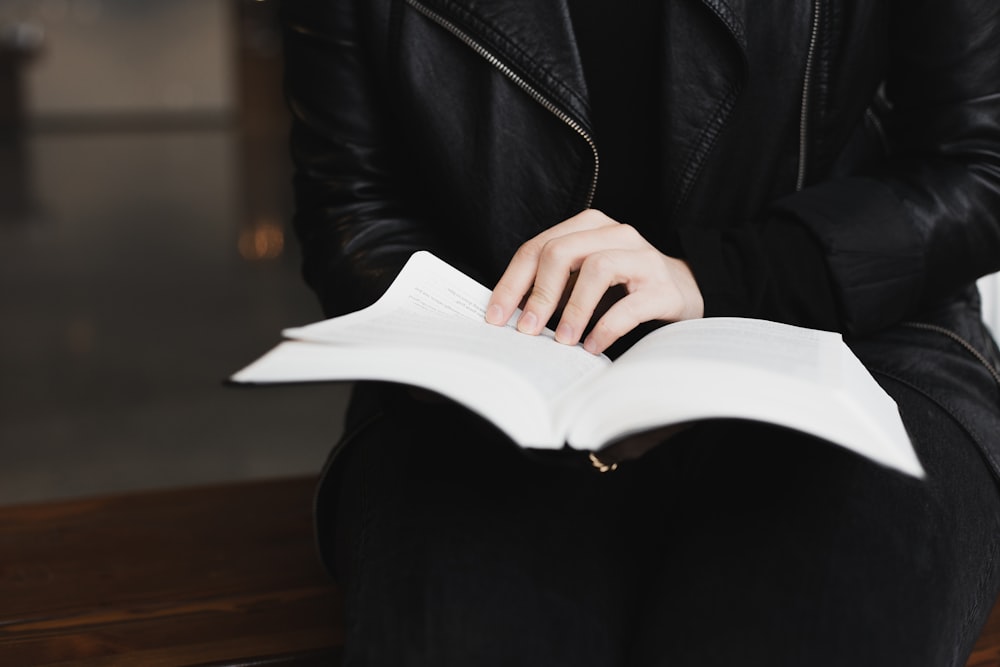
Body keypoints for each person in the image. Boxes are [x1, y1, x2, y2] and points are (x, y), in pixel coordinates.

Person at [279, 1, 1000, 665]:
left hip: (855, 339)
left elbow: (980, 165)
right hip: (494, 372)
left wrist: (723, 275)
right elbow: (351, 206)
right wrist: (504, 351)